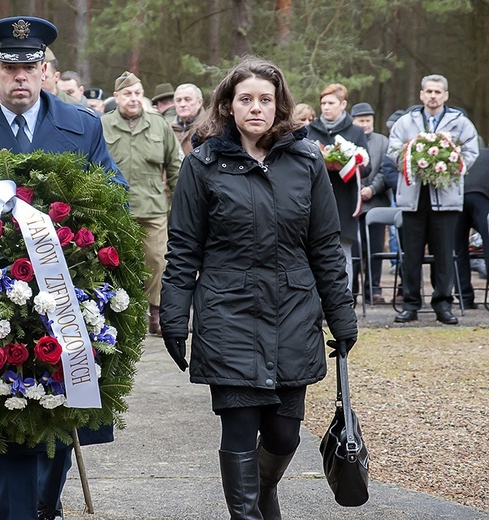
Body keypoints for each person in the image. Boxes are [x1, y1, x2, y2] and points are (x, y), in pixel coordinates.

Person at [0, 16, 127, 520]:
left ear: (45, 70)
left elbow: (115, 195)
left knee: (61, 411)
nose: (20, 76)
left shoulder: (82, 126)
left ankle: (44, 506)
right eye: (9, 67)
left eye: (30, 66)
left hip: (68, 297)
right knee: (6, 422)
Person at [159, 56, 357, 520]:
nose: (256, 108)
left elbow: (326, 246)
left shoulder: (306, 161)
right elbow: (184, 247)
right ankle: (246, 513)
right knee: (240, 427)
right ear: (227, 105)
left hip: (293, 309)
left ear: (279, 104)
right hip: (228, 312)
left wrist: (341, 315)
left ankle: (265, 488)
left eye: (265, 99)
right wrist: (174, 316)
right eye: (245, 99)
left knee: (286, 433)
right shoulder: (203, 164)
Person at [388, 74, 479, 324]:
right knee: (412, 254)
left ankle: (443, 305)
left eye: (438, 92)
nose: (433, 96)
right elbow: (393, 148)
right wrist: (411, 160)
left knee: (443, 254)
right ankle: (410, 304)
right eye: (428, 91)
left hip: (446, 198)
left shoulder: (460, 122)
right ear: (421, 94)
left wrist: (451, 165)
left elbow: (471, 150)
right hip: (413, 196)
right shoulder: (406, 121)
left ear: (446, 95)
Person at [101, 71, 182, 337]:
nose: (133, 99)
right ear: (116, 97)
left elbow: (175, 166)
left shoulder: (159, 125)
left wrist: (180, 204)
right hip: (114, 210)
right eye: (127, 94)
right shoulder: (102, 125)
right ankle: (115, 315)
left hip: (153, 208)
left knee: (158, 262)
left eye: (137, 93)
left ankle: (156, 313)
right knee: (113, 262)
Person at [307, 83, 370, 294]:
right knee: (313, 254)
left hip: (344, 200)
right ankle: (314, 306)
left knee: (343, 254)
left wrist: (346, 162)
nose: (326, 107)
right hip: (314, 201)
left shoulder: (356, 132)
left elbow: (366, 168)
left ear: (343, 105)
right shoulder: (309, 131)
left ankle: (343, 303)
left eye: (331, 103)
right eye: (323, 103)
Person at [350, 101, 391, 303]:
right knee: (354, 249)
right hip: (352, 205)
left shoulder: (383, 141)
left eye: (368, 120)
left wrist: (372, 189)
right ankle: (353, 288)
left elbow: (386, 169)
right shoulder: (347, 140)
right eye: (361, 121)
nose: (365, 124)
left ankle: (374, 288)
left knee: (374, 249)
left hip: (376, 202)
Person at [455, 146, 489, 309]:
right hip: (483, 197)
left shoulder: (476, 153)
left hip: (458, 196)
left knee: (458, 249)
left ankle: (464, 297)